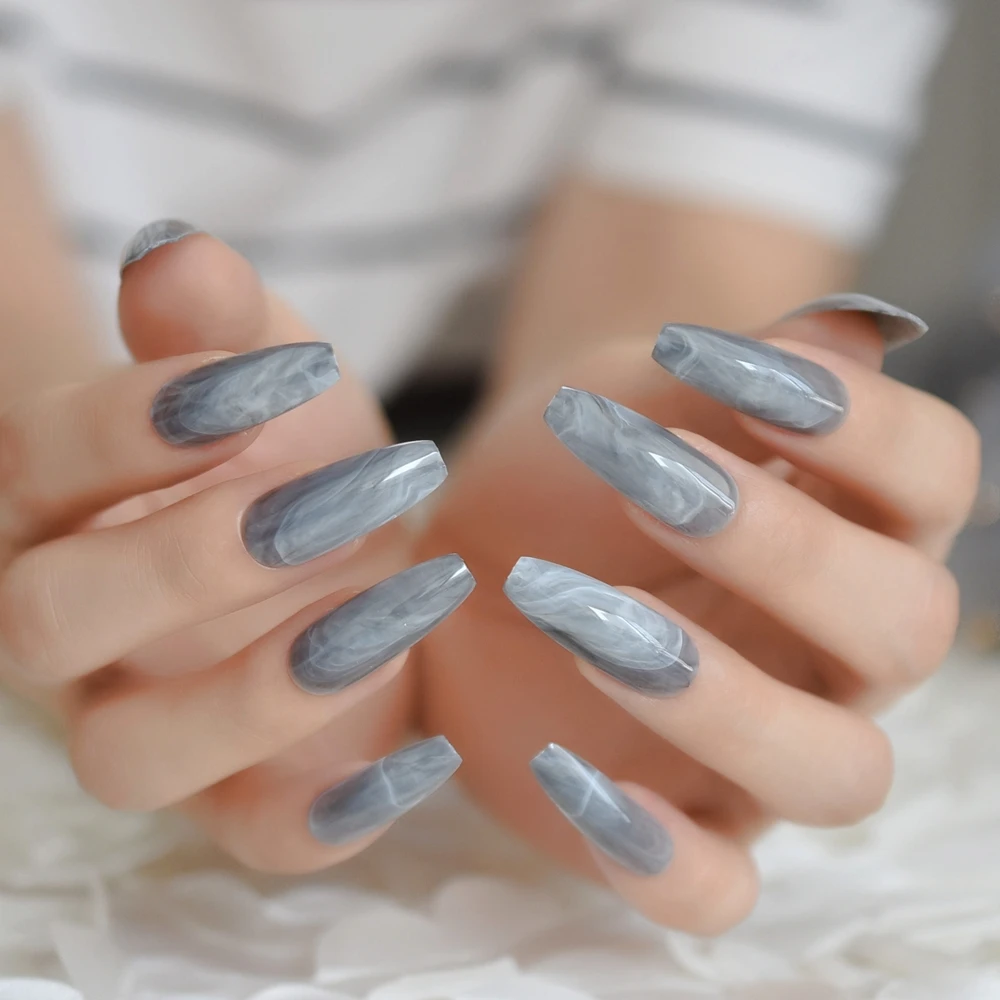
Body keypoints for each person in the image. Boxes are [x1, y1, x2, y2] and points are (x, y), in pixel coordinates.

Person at [0, 0, 978, 933]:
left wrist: (646, 570)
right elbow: (30, 408)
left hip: (441, 434)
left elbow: (658, 337)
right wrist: (63, 507)